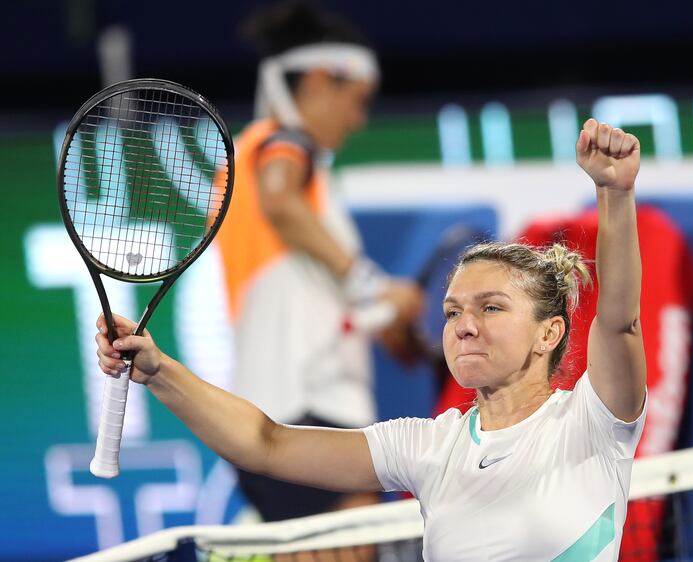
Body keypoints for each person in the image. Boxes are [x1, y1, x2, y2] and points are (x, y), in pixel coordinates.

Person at [96, 119, 647, 561]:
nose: (465, 325)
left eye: (491, 308)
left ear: (549, 333)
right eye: (453, 311)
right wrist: (160, 371)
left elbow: (619, 321)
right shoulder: (428, 448)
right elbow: (264, 443)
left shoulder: (593, 424)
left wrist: (613, 194)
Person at [214, 0, 424, 522]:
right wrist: (369, 283)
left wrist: (384, 317)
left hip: (268, 418)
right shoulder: (284, 144)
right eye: (356, 100)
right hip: (311, 417)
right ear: (314, 84)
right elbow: (280, 201)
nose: (359, 119)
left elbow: (305, 294)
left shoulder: (243, 160)